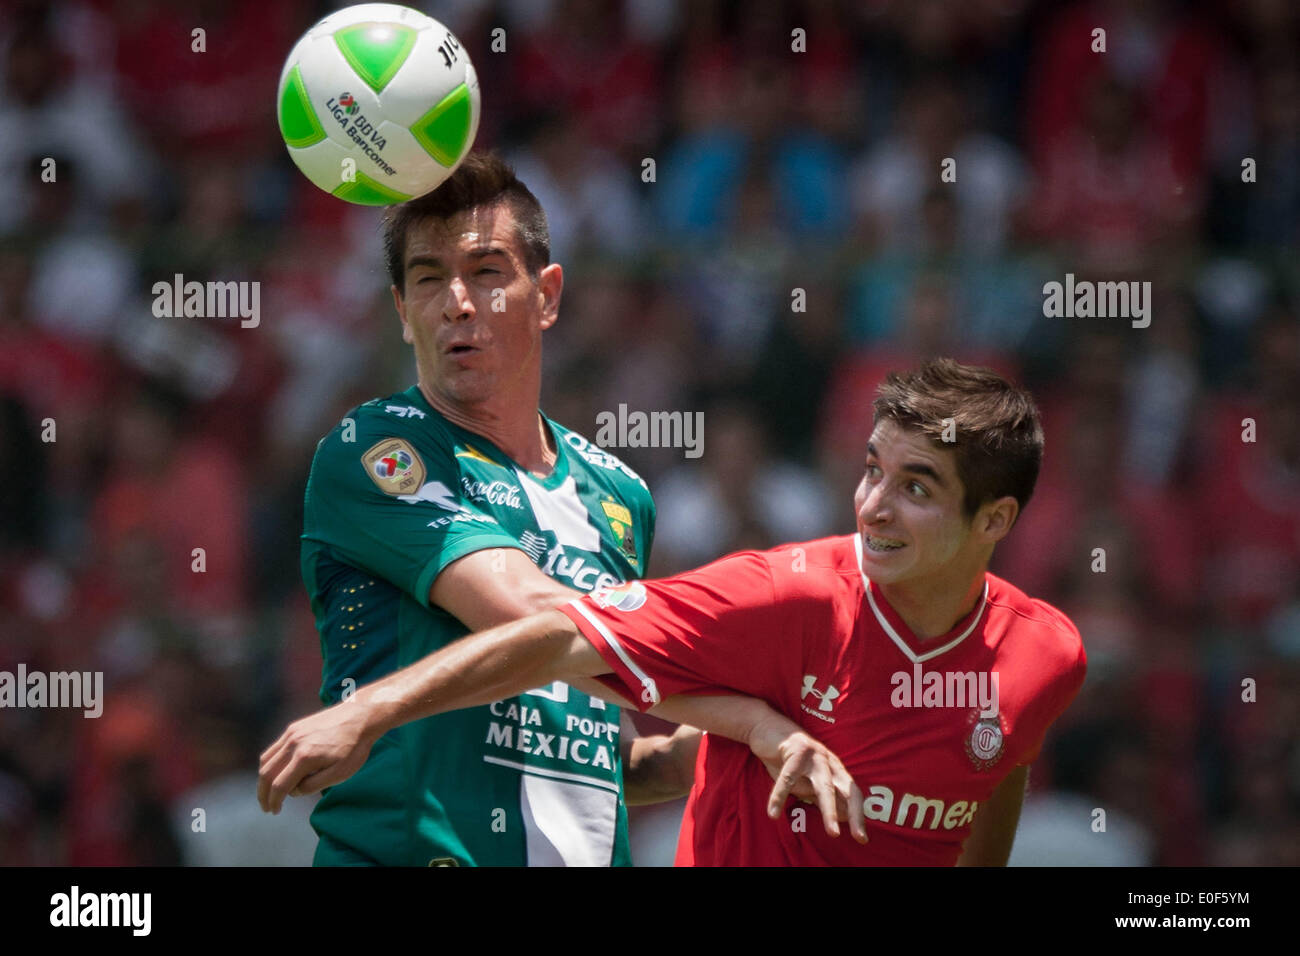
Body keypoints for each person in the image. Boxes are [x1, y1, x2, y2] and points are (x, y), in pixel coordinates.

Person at [262, 358, 1087, 865]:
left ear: (995, 521)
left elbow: (997, 765)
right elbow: (560, 637)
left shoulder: (1047, 655)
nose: (873, 507)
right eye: (873, 469)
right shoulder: (783, 596)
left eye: (917, 489)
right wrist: (371, 710)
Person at [288, 151, 862, 867]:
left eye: (488, 272)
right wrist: (750, 716)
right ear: (404, 312)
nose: (457, 302)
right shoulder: (376, 449)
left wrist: (736, 740)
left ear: (548, 295)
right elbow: (537, 619)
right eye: (428, 280)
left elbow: (603, 755)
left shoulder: (620, 494)